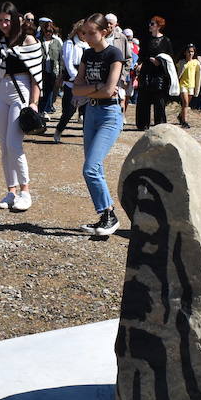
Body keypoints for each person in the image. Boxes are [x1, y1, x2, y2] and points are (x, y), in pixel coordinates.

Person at [72, 14, 126, 236]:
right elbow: (76, 88)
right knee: (96, 168)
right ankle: (105, 216)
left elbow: (109, 90)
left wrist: (91, 88)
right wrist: (97, 87)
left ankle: (109, 215)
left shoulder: (114, 53)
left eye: (91, 32)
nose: (86, 36)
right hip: (92, 112)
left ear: (104, 32)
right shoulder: (86, 53)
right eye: (84, 32)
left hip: (109, 113)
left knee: (90, 168)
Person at [0, 6, 42, 211]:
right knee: (3, 145)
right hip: (1, 89)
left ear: (15, 20)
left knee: (14, 144)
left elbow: (37, 76)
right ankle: (11, 190)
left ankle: (25, 191)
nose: (3, 24)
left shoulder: (28, 40)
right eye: (0, 20)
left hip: (21, 91)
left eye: (7, 20)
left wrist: (34, 103)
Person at [135, 16, 172, 130]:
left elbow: (170, 58)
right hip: (146, 72)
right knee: (143, 100)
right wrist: (143, 62)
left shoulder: (166, 41)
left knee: (159, 101)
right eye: (150, 23)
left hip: (159, 74)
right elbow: (141, 55)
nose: (150, 26)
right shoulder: (146, 40)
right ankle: (142, 125)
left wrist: (159, 62)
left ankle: (160, 125)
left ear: (159, 26)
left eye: (152, 24)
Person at [53, 19, 86, 142]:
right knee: (69, 111)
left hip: (87, 83)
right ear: (77, 31)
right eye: (83, 32)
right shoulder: (69, 43)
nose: (85, 35)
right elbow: (68, 63)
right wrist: (78, 78)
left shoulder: (88, 45)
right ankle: (59, 130)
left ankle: (87, 135)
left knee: (87, 112)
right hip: (73, 82)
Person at [38, 17, 62, 114]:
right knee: (42, 89)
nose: (48, 33)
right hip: (41, 69)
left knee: (51, 90)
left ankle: (47, 108)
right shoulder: (38, 41)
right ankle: (42, 109)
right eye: (47, 31)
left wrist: (60, 73)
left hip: (53, 70)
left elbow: (60, 58)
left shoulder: (57, 42)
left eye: (50, 31)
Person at [176, 44, 200, 127]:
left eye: (192, 51)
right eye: (189, 51)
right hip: (183, 85)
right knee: (185, 103)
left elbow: (198, 74)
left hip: (191, 86)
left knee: (185, 104)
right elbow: (177, 73)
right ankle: (185, 122)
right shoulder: (181, 62)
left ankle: (181, 116)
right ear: (185, 53)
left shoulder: (196, 63)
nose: (190, 53)